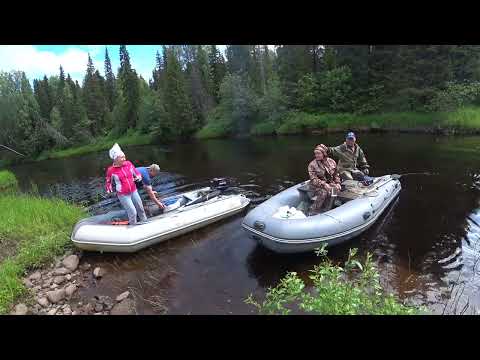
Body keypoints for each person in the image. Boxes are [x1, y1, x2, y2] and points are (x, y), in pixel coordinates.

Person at [105, 143, 147, 225]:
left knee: (141, 209)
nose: (124, 159)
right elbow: (108, 181)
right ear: (116, 159)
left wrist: (138, 177)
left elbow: (136, 172)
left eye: (124, 156)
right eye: (122, 157)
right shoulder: (111, 170)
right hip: (123, 195)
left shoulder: (128, 164)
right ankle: (133, 228)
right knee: (133, 212)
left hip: (134, 191)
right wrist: (109, 189)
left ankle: (145, 223)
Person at [307, 144, 342, 215]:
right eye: (315, 153)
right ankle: (313, 209)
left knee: (335, 189)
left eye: (318, 153)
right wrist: (324, 184)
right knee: (324, 192)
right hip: (316, 185)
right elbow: (313, 179)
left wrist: (338, 183)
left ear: (324, 153)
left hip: (329, 183)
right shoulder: (312, 165)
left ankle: (328, 208)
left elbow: (336, 174)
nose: (316, 155)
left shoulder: (331, 161)